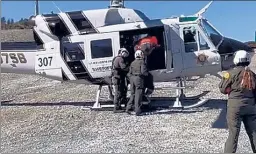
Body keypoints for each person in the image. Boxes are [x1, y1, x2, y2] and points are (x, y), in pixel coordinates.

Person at [218, 50, 256, 153]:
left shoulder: (229, 74)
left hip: (235, 107)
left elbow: (222, 89)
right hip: (251, 107)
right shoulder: (252, 74)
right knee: (254, 133)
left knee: (233, 135)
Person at [126, 50, 149, 116]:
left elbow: (129, 73)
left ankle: (128, 108)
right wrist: (147, 74)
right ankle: (138, 111)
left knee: (132, 94)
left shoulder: (132, 62)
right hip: (138, 79)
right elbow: (143, 72)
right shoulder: (142, 62)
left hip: (132, 78)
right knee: (138, 94)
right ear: (141, 55)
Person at [111, 48, 130, 113]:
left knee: (118, 92)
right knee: (118, 93)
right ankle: (116, 107)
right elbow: (123, 67)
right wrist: (130, 68)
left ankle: (118, 106)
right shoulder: (120, 59)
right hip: (117, 78)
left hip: (116, 78)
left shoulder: (116, 58)